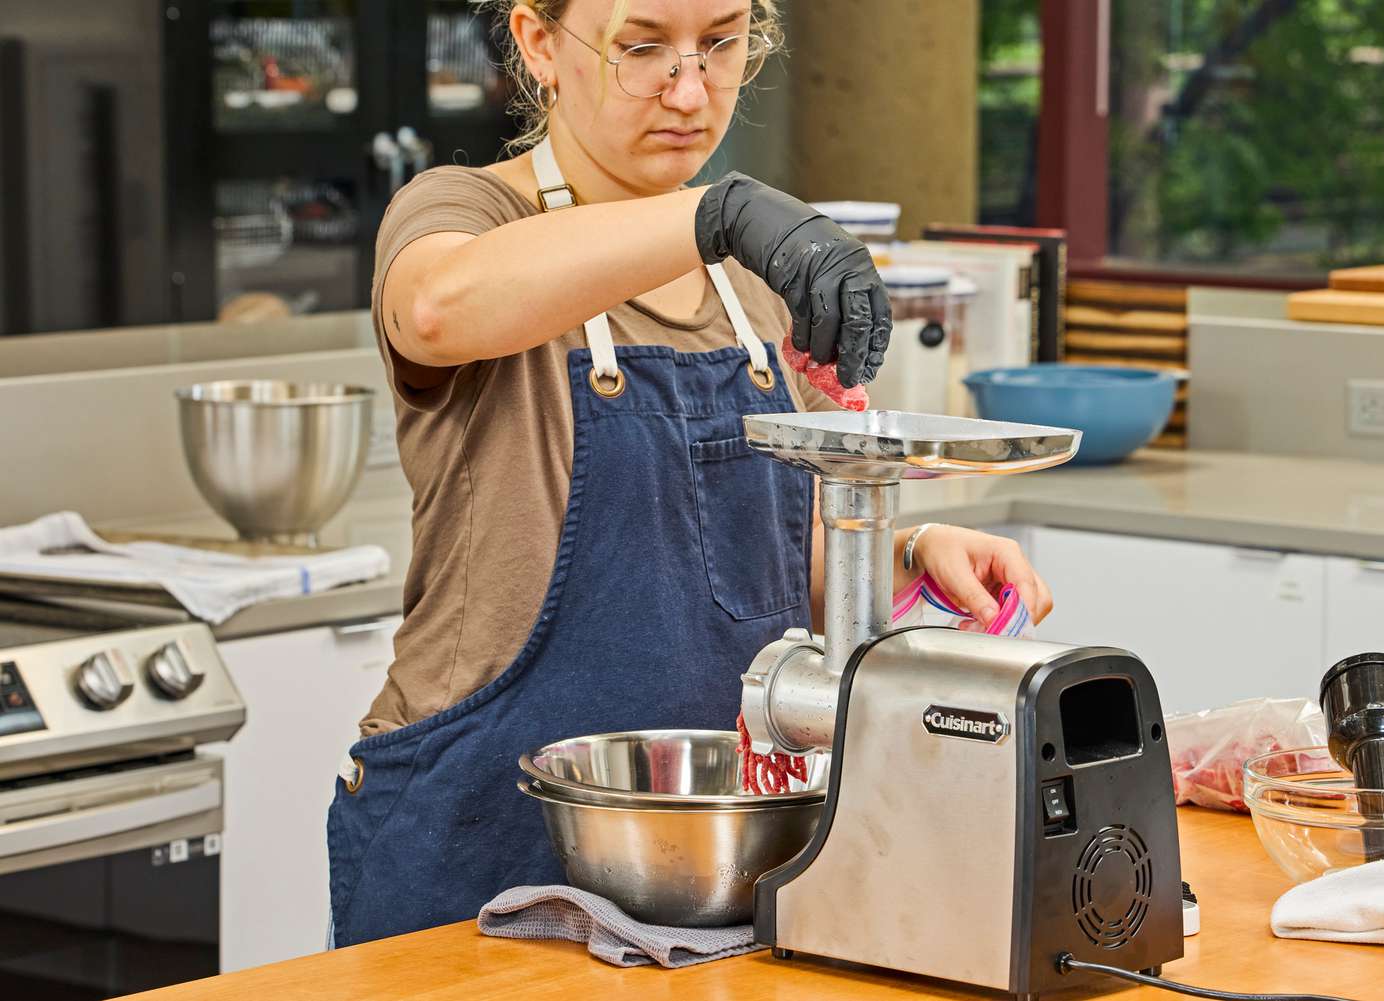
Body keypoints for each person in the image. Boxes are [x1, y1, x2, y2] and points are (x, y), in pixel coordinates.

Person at [327, 0, 1055, 947]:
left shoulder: (750, 292)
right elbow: (436, 308)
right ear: (541, 42)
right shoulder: (463, 215)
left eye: (719, 45)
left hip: (708, 856)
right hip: (481, 837)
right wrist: (716, 212)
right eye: (641, 49)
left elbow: (766, 573)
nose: (689, 90)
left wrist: (908, 551)